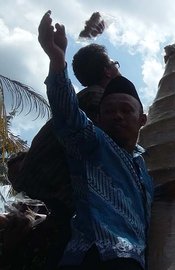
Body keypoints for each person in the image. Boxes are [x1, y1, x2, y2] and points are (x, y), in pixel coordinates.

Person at [38, 10, 153, 270]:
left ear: (142, 120)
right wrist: (57, 61)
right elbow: (68, 114)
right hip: (97, 255)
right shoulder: (94, 142)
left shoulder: (142, 167)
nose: (118, 117)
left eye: (126, 111)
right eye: (110, 111)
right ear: (98, 119)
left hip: (135, 260)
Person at [8, 42, 121, 269]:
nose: (120, 117)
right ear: (108, 71)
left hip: (38, 202)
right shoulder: (98, 101)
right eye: (113, 63)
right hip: (55, 206)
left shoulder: (84, 101)